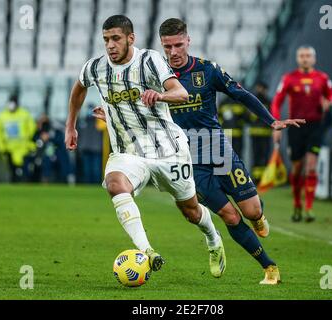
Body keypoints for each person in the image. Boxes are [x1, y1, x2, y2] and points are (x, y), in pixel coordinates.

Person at [66, 15, 226, 276]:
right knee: (115, 184)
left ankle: (213, 238)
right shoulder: (95, 67)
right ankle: (147, 251)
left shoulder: (150, 60)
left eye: (116, 39)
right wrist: (70, 126)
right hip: (128, 152)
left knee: (190, 209)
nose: (110, 46)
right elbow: (79, 89)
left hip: (168, 150)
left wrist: (159, 95)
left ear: (131, 38)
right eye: (106, 39)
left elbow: (181, 93)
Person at [155, 18, 305, 285]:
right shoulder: (156, 75)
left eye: (178, 45)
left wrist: (271, 120)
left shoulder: (207, 70)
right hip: (189, 160)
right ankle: (269, 267)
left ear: (188, 41)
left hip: (217, 148)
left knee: (251, 211)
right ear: (162, 45)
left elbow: (241, 94)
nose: (174, 52)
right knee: (230, 215)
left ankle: (258, 216)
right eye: (168, 47)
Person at [271, 45, 332, 223]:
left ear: (314, 59)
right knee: (297, 168)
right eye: (302, 56)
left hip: (315, 127)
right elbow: (277, 102)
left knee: (311, 166)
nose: (305, 58)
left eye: (308, 56)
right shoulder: (289, 79)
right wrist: (276, 123)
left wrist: (328, 102)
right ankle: (297, 203)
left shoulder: (322, 78)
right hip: (296, 128)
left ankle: (309, 207)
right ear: (298, 58)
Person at [0, 95, 36, 182]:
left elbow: (32, 128)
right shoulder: (2, 116)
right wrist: (2, 148)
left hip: (23, 149)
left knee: (24, 173)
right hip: (9, 150)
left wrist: (28, 141)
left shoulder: (24, 114)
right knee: (12, 172)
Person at [248, 81, 273, 182]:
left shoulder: (267, 102)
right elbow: (247, 117)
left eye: (261, 88)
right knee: (257, 155)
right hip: (256, 133)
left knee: (264, 155)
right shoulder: (253, 101)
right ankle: (257, 178)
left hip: (265, 133)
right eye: (259, 87)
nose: (260, 90)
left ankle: (264, 177)